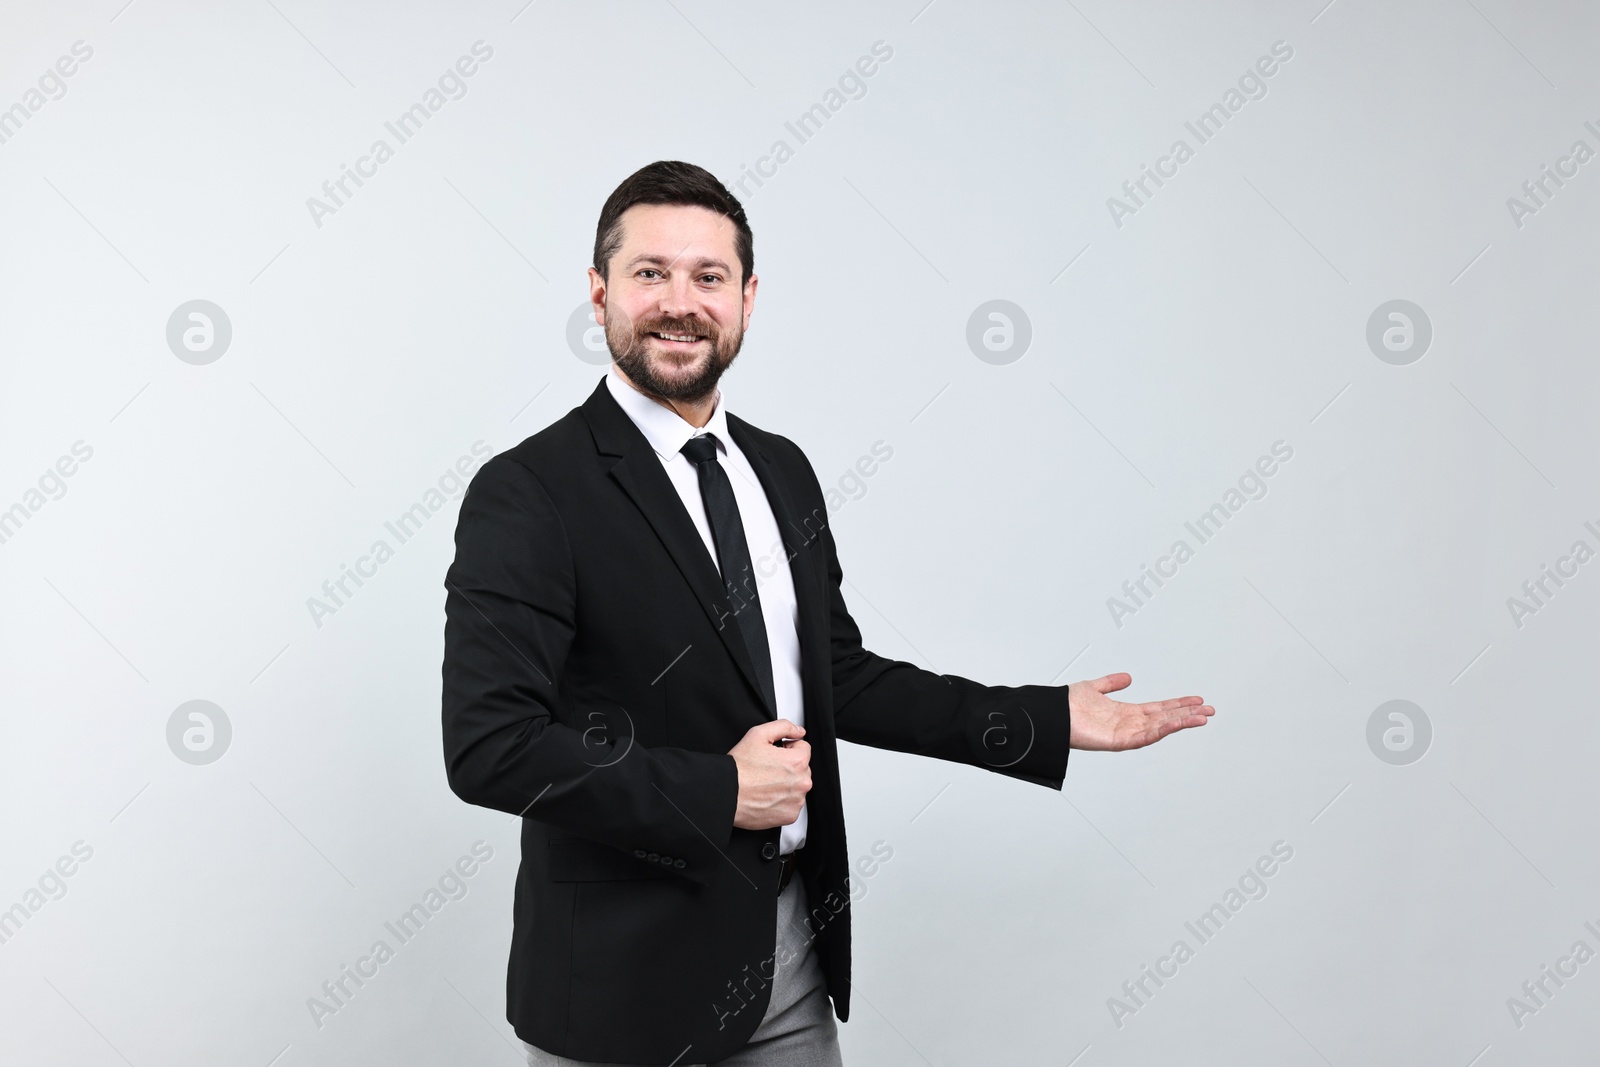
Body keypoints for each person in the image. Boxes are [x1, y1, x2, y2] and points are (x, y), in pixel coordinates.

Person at [440, 160, 1214, 1067]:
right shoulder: (529, 492)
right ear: (599, 289)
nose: (678, 302)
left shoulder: (781, 470)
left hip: (787, 959)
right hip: (622, 987)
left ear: (748, 297)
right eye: (650, 273)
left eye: (708, 276)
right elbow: (491, 745)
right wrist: (720, 790)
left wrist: (1039, 718)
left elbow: (834, 675)